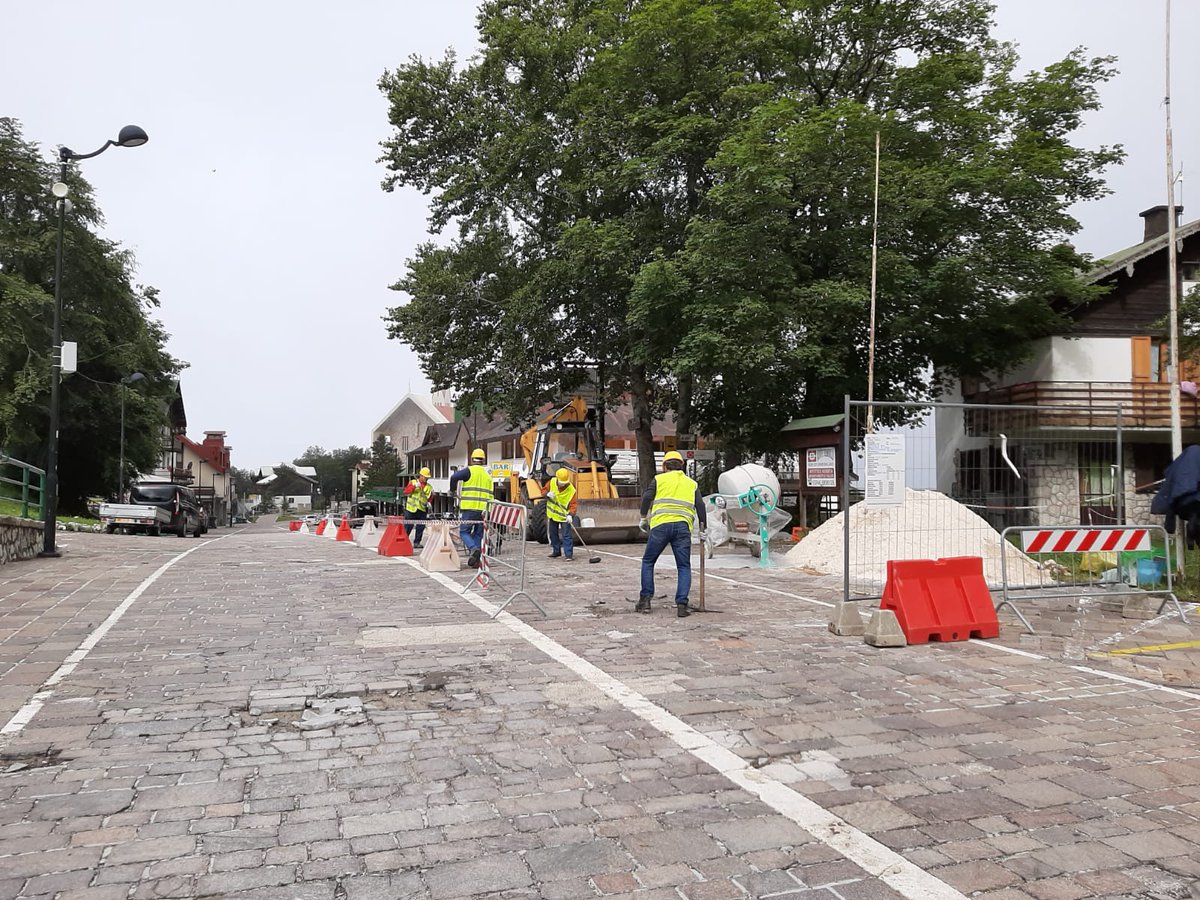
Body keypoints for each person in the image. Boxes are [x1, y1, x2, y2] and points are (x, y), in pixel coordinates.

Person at [637, 450, 706, 617]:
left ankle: (645, 600)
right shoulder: (691, 484)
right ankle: (682, 604)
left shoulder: (659, 479)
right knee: (683, 566)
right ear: (682, 466)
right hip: (683, 528)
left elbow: (647, 498)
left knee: (648, 561)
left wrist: (643, 517)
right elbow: (701, 506)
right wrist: (704, 529)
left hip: (660, 526)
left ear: (664, 466)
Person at [450, 448, 493, 567]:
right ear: (483, 460)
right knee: (479, 534)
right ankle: (476, 561)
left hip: (470, 508)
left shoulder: (469, 471)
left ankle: (473, 549)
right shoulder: (488, 475)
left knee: (464, 532)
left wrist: (452, 491)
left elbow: (454, 478)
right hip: (484, 510)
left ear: (472, 459)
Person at [545, 468, 577, 561]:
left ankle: (568, 555)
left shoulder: (571, 490)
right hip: (552, 515)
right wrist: (547, 494)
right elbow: (543, 491)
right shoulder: (551, 482)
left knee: (566, 535)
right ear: (557, 478)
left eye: (564, 482)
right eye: (561, 482)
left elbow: (573, 504)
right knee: (553, 534)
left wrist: (571, 514)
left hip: (564, 517)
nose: (563, 484)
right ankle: (556, 551)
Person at [403, 467, 434, 548]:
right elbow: (406, 492)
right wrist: (414, 487)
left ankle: (417, 542)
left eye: (427, 477)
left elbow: (430, 497)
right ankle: (403, 541)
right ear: (421, 476)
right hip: (411, 509)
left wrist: (429, 503)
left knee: (421, 526)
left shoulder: (429, 487)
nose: (426, 479)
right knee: (408, 526)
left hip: (422, 509)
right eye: (425, 477)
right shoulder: (413, 482)